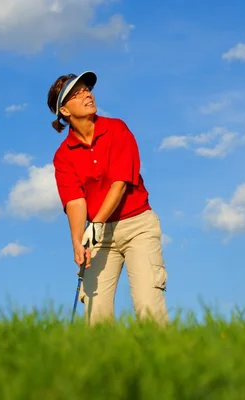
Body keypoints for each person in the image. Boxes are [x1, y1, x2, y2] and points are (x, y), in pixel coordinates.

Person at [47, 71, 169, 326]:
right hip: (99, 238)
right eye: (76, 93)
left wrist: (97, 222)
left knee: (148, 306)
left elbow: (120, 183)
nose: (87, 94)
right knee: (96, 315)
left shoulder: (116, 129)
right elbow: (75, 201)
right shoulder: (63, 156)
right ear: (65, 111)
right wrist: (78, 242)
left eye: (86, 89)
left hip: (138, 226)